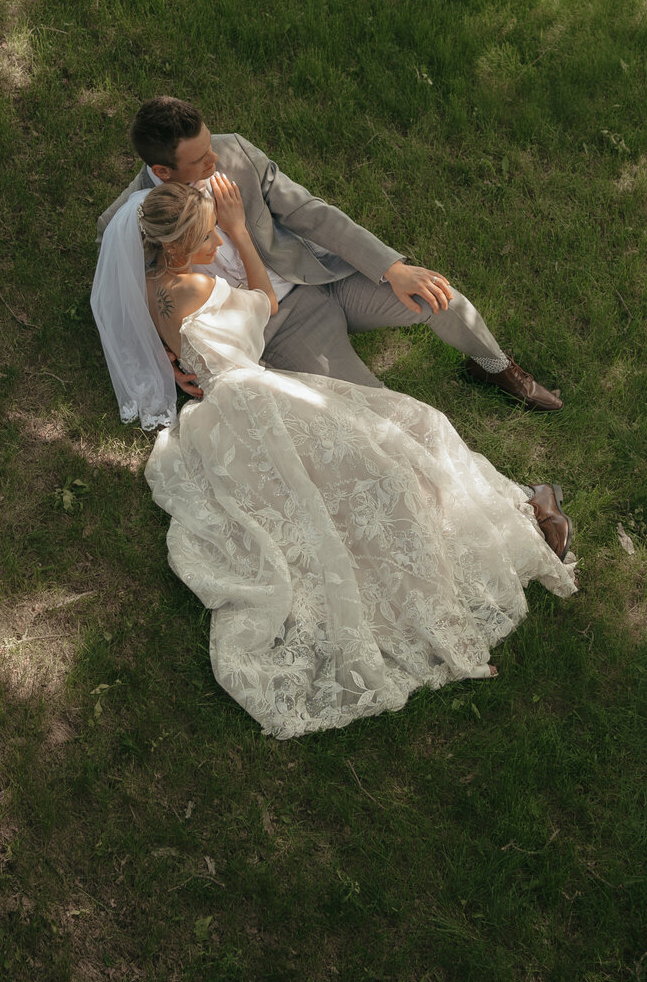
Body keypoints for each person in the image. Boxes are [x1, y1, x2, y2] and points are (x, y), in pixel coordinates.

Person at [138, 176, 575, 738]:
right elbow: (265, 304)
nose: (215, 244)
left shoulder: (156, 291)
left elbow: (190, 350)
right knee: (403, 439)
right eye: (207, 238)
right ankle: (507, 522)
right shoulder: (200, 285)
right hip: (259, 399)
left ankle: (518, 504)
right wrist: (242, 232)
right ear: (179, 247)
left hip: (216, 420)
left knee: (354, 470)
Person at [91, 96, 563, 441]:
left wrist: (392, 268)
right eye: (200, 160)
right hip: (280, 328)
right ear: (163, 170)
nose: (216, 160)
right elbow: (133, 297)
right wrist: (174, 359)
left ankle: (495, 367)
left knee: (441, 296)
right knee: (382, 413)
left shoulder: (234, 151)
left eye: (211, 146)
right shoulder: (133, 222)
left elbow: (309, 212)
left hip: (318, 277)